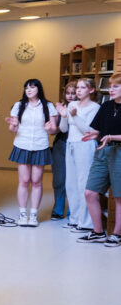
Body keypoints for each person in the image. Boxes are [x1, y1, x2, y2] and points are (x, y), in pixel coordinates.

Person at [5, 79, 58, 226]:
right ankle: (23, 214)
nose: (28, 90)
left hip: (40, 145)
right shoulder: (19, 105)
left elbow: (54, 129)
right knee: (23, 181)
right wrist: (13, 125)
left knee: (36, 182)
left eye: (32, 87)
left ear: (38, 89)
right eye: (26, 88)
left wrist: (49, 129)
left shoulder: (48, 106)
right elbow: (13, 129)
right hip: (22, 145)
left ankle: (33, 215)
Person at [76, 73, 121, 246]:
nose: (111, 89)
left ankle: (117, 234)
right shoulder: (106, 106)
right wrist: (94, 134)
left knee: (118, 197)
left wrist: (110, 137)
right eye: (110, 86)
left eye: (115, 86)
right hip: (102, 152)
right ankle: (98, 232)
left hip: (119, 152)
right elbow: (99, 130)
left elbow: (110, 134)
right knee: (90, 192)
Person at [56, 78, 99, 234]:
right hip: (71, 144)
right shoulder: (73, 105)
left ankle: (86, 222)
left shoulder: (95, 107)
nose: (78, 91)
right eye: (78, 88)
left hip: (85, 146)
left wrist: (74, 116)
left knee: (83, 184)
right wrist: (63, 115)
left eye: (82, 88)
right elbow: (63, 128)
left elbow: (88, 131)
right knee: (71, 184)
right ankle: (74, 219)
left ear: (91, 90)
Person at [50, 81, 76, 220]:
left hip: (77, 145)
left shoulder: (81, 107)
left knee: (74, 180)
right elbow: (55, 130)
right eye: (68, 93)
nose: (70, 96)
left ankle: (73, 211)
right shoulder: (59, 108)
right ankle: (58, 210)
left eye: (73, 93)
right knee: (59, 179)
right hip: (61, 144)